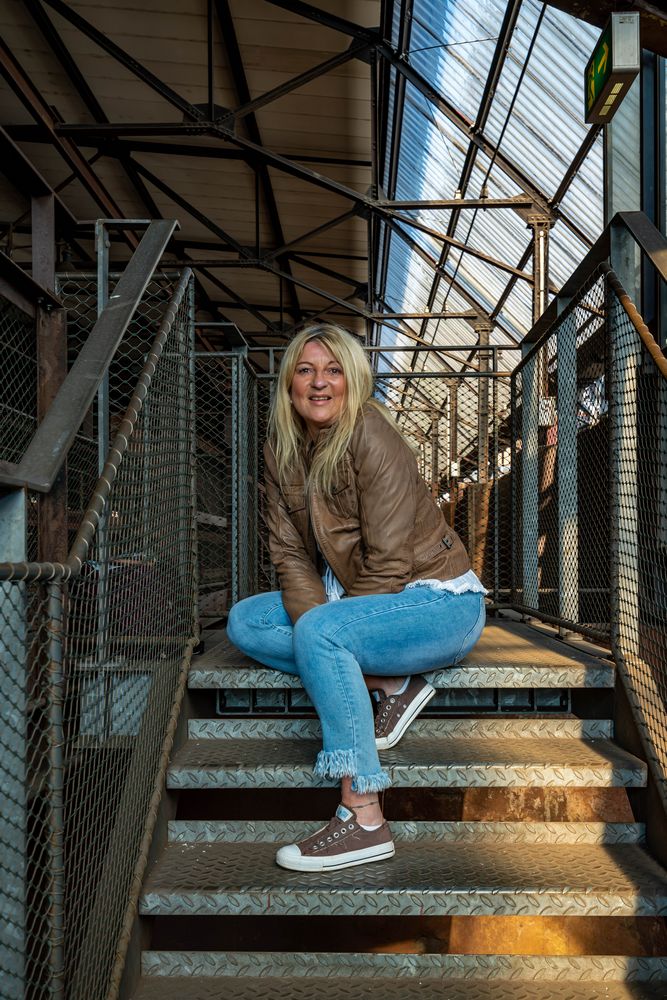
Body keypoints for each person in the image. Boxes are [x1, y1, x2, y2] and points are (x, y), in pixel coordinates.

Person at [227, 324, 486, 873]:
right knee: (245, 622)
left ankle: (363, 818)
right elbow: (289, 556)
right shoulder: (281, 447)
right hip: (361, 601)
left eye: (333, 370)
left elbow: (391, 565)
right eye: (305, 370)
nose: (319, 383)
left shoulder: (372, 433)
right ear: (290, 384)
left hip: (436, 604)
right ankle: (390, 682)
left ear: (354, 379)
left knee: (322, 632)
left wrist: (327, 631)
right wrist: (325, 628)